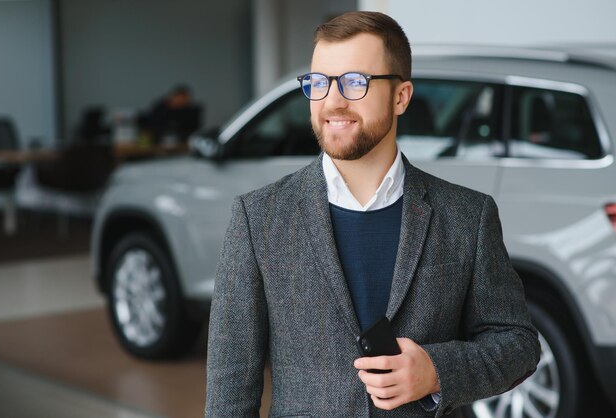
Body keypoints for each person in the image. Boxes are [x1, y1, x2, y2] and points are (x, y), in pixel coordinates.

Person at [206, 11, 540, 417]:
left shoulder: (468, 216)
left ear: (401, 96)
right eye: (319, 83)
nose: (332, 101)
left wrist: (436, 371)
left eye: (354, 82)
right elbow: (230, 391)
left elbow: (518, 343)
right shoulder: (257, 219)